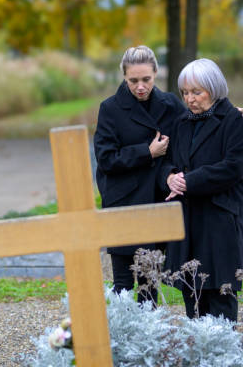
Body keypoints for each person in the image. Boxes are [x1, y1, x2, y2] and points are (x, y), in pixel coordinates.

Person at [93, 45, 187, 302]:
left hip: (155, 200)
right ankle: (120, 339)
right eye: (133, 81)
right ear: (124, 77)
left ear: (156, 73)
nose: (140, 86)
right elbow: (106, 159)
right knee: (123, 282)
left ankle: (149, 340)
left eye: (146, 79)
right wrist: (147, 152)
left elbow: (197, 128)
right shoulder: (110, 109)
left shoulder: (170, 105)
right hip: (122, 201)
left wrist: (236, 117)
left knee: (149, 282)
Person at [160, 58, 243, 322]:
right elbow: (167, 161)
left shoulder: (233, 120)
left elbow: (233, 167)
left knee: (220, 294)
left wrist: (190, 180)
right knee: (194, 296)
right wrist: (169, 177)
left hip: (220, 219)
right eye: (185, 93)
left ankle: (225, 358)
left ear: (214, 88)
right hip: (189, 220)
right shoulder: (181, 122)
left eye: (196, 92)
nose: (190, 99)